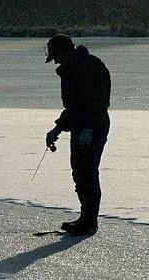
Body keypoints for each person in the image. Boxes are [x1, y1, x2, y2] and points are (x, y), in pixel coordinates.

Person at [44, 34, 111, 236]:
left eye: (55, 56)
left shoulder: (91, 66)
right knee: (79, 171)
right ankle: (85, 217)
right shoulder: (69, 70)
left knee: (88, 171)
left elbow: (99, 101)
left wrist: (89, 128)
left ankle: (89, 222)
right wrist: (57, 128)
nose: (55, 61)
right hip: (80, 125)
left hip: (95, 125)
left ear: (64, 51)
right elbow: (73, 107)